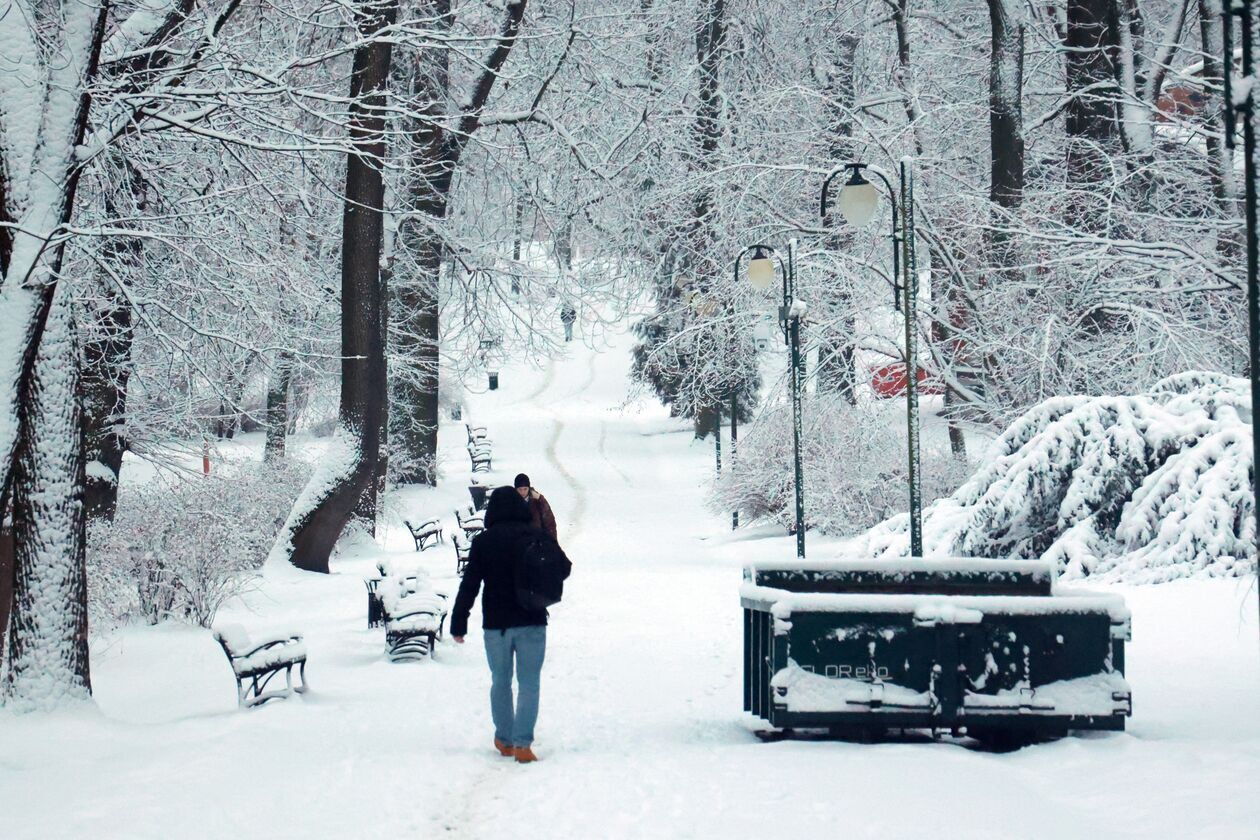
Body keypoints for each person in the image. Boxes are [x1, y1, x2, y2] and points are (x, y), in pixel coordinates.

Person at [451, 486, 567, 764]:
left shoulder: (483, 542)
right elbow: (563, 566)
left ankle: (504, 738)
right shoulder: (536, 536)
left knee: (500, 681)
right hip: (532, 620)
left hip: (496, 624)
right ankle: (523, 744)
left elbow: (470, 584)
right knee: (529, 684)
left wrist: (459, 621)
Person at [514, 473, 557, 540]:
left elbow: (549, 522)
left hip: (537, 542)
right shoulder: (510, 502)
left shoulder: (538, 501)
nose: (522, 492)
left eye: (525, 489)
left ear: (529, 488)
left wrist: (552, 543)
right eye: (520, 489)